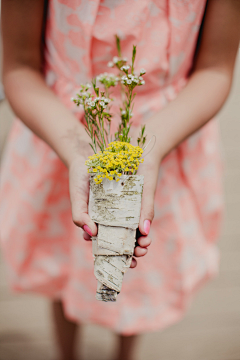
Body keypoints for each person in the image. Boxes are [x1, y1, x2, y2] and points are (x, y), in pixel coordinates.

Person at [1, 1, 239, 360]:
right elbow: (19, 66)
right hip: (59, 132)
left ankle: (124, 354)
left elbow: (216, 68)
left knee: (136, 278)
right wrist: (79, 151)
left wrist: (150, 148)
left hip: (167, 135)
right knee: (65, 262)